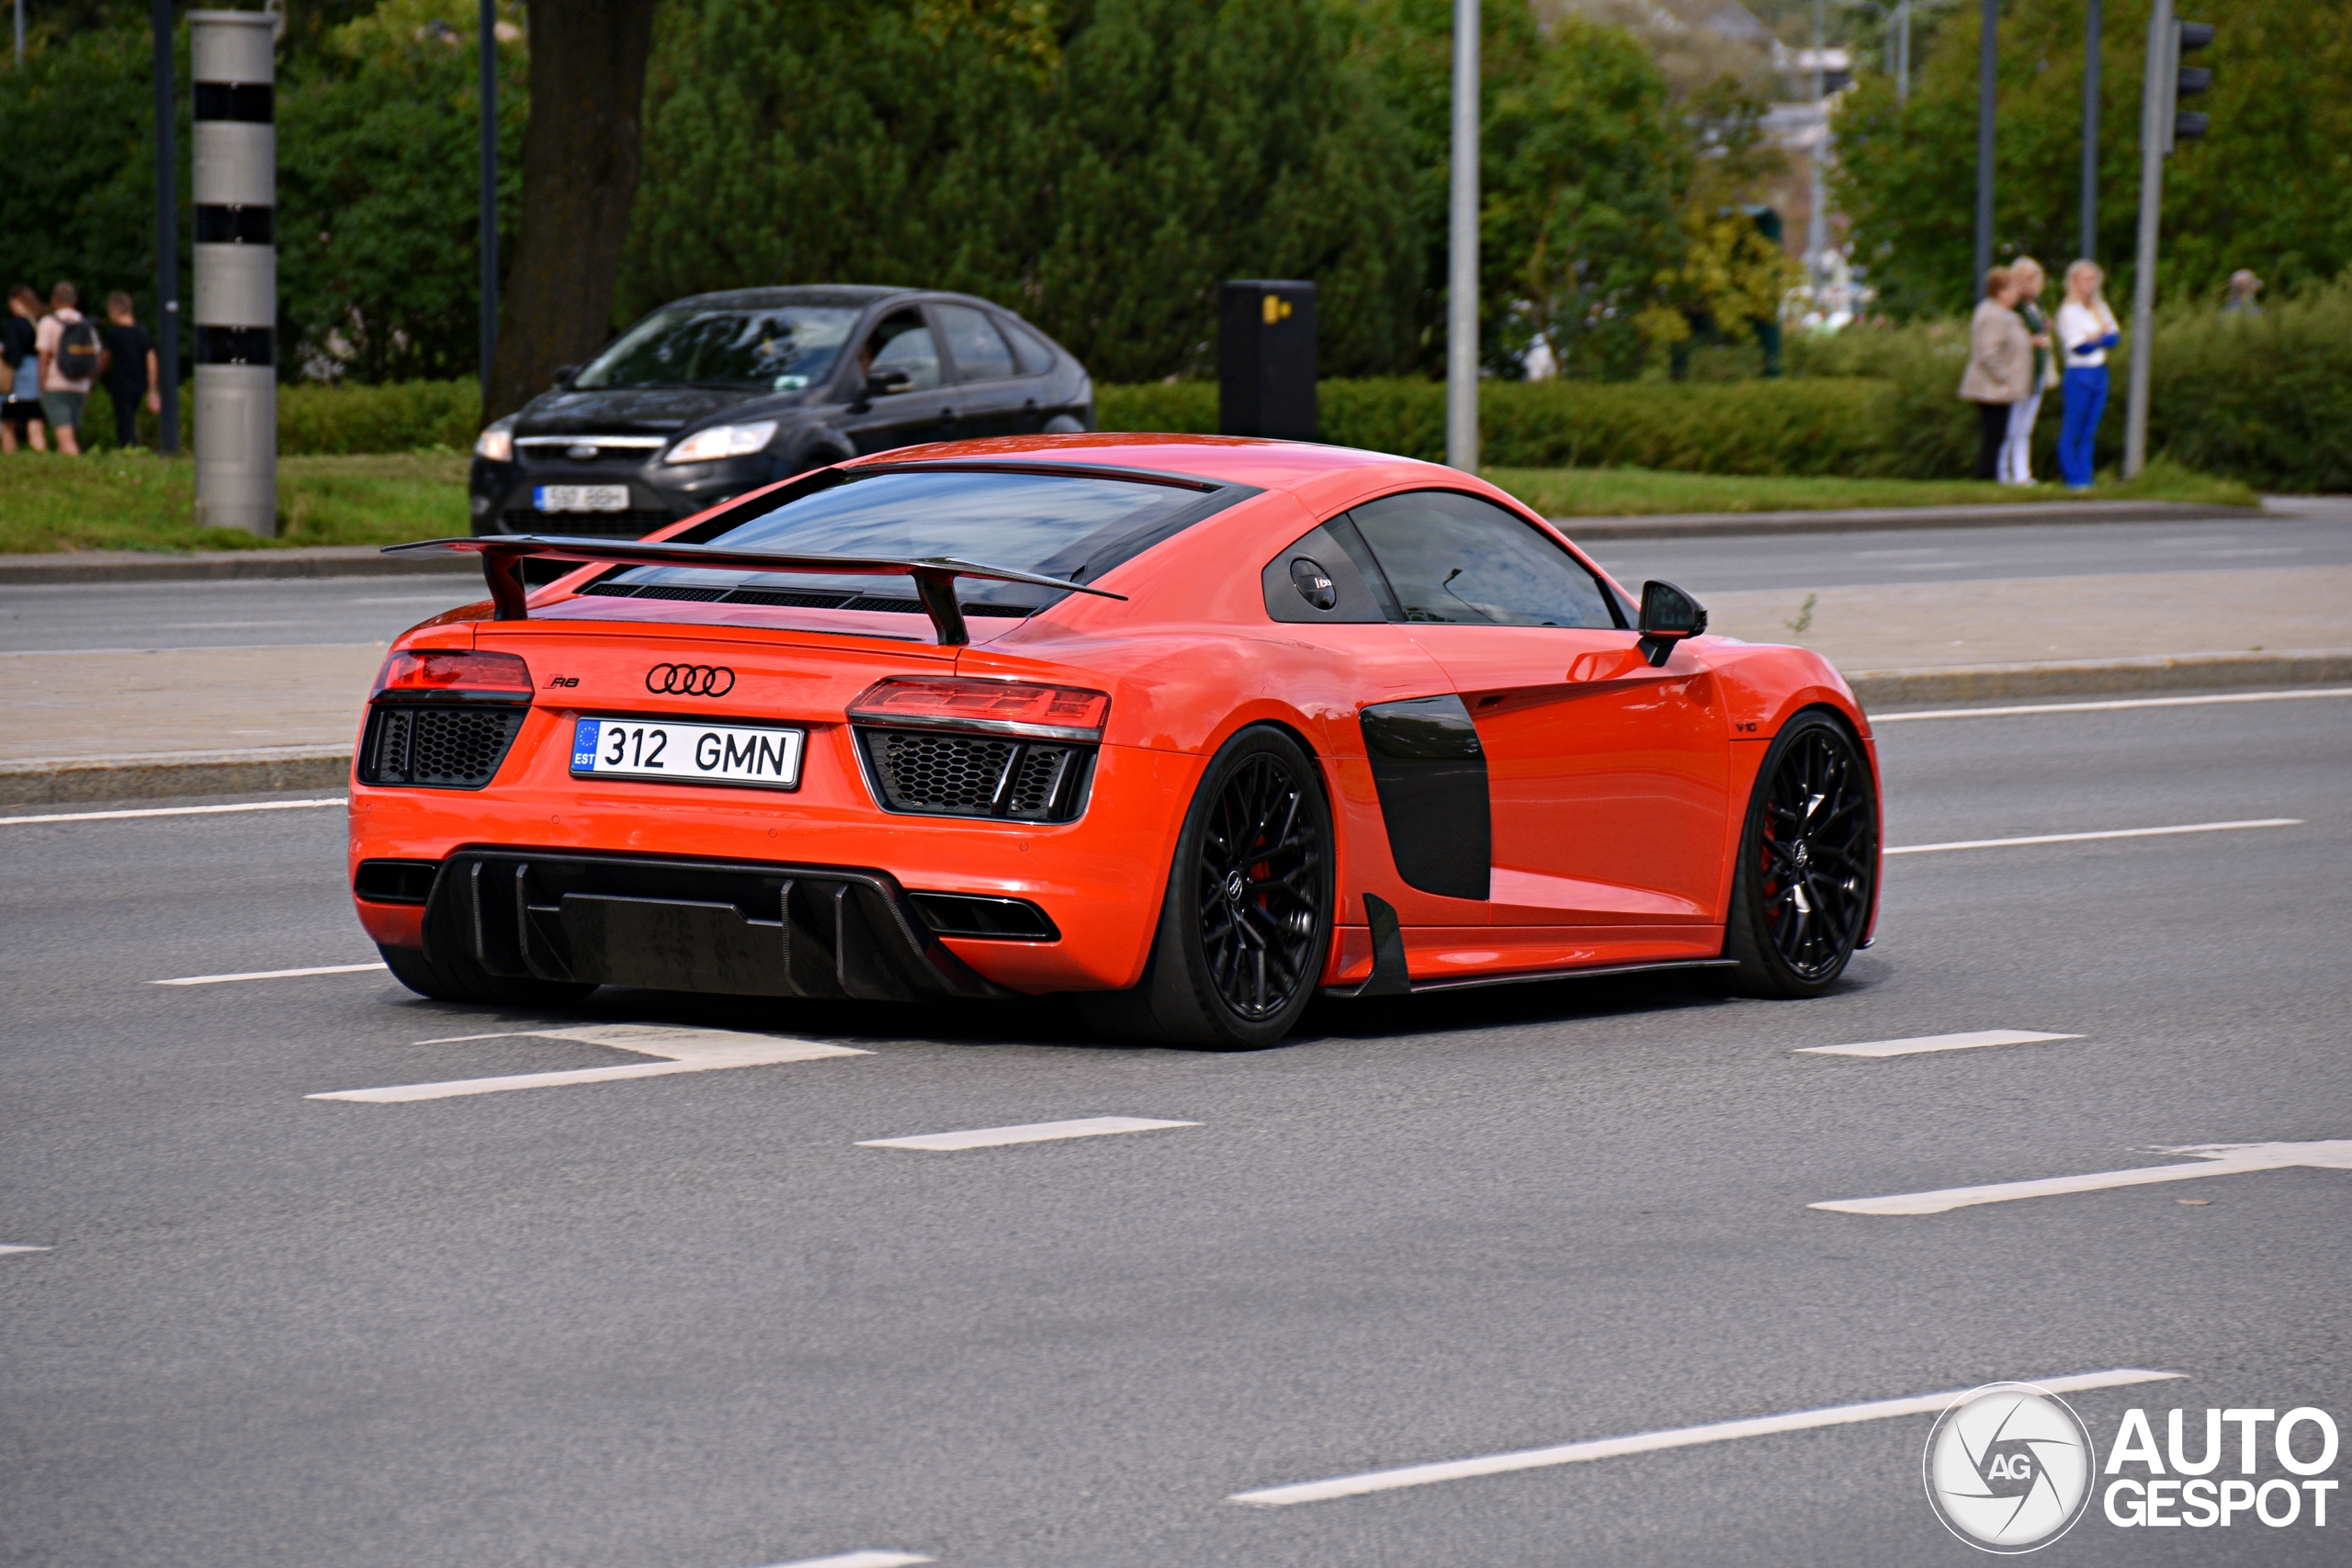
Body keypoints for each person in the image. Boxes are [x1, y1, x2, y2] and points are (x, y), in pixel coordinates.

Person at [1958, 266, 2031, 481]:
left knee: (1998, 433)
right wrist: (2005, 376)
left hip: (1999, 387)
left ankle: (1991, 473)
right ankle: (1986, 475)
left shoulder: (2005, 314)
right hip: (1992, 387)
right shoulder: (1993, 315)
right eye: (2013, 289)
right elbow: (1988, 352)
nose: (2017, 294)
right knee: (1993, 433)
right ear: (2001, 291)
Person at [2055, 261, 2121, 491]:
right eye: (2084, 280)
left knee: (2089, 429)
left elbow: (2114, 337)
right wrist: (2097, 338)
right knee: (2073, 427)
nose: (2089, 285)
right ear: (2074, 282)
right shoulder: (2068, 310)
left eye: (2093, 279)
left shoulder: (2099, 307)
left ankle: (2087, 475)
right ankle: (2073, 477)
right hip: (2078, 372)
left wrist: (2096, 338)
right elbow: (2077, 346)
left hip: (2099, 371)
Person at [1999, 256, 2058, 485]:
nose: (2029, 284)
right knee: (2011, 424)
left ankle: (2023, 473)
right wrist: (2030, 340)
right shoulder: (2013, 307)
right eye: (2024, 279)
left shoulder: (2038, 305)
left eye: (2033, 279)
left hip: (2037, 370)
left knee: (2025, 427)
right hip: (2018, 371)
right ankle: (2003, 472)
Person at [34, 281, 97, 457]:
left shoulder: (48, 323)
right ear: (75, 301)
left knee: (66, 439)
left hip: (56, 384)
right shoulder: (86, 324)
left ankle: (81, 476)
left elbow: (44, 357)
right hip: (81, 385)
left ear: (53, 300)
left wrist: (41, 384)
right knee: (68, 437)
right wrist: (91, 383)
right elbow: (94, 357)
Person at [97, 291, 160, 450]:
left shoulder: (114, 332)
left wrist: (95, 375)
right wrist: (152, 389)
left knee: (123, 419)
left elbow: (104, 358)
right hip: (139, 383)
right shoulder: (142, 332)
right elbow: (152, 361)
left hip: (121, 381)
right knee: (129, 416)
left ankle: (130, 449)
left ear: (114, 311)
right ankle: (131, 447)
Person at [3, 284, 47, 454]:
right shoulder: (42, 321)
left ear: (16, 301)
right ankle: (40, 454)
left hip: (19, 380)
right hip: (39, 375)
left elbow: (13, 355)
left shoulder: (15, 324)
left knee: (9, 420)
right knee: (35, 420)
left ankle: (11, 454)